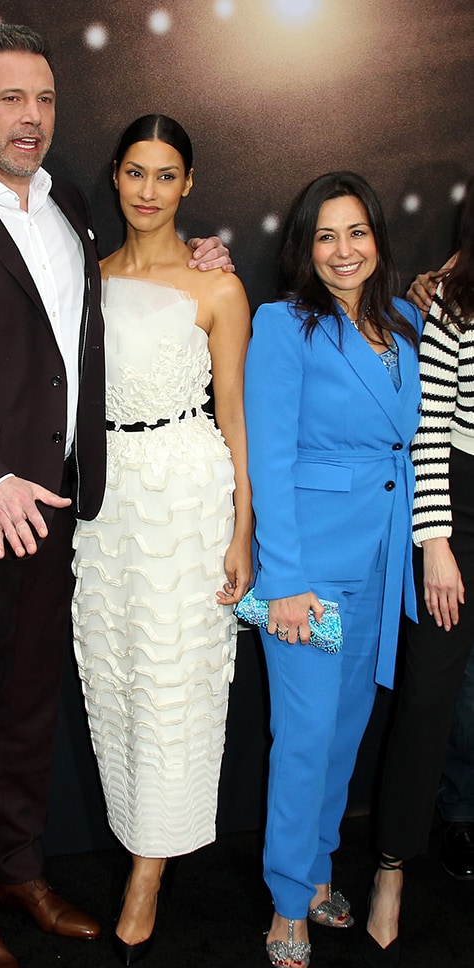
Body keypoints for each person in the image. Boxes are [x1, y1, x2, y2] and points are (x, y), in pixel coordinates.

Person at [0, 24, 230, 968]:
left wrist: (206, 258)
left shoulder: (70, 208)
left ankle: (15, 870)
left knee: (27, 712)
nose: (31, 119)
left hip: (65, 513)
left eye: (46, 102)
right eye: (11, 100)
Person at [71, 114, 253, 965]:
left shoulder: (217, 285)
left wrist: (243, 526)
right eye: (136, 173)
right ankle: (140, 831)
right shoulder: (87, 279)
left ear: (188, 185)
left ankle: (148, 871)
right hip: (105, 501)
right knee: (119, 674)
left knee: (179, 678)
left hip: (188, 493)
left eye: (166, 175)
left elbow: (235, 416)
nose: (149, 190)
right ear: (115, 177)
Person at [243, 171, 423, 968]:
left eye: (356, 232)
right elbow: (270, 460)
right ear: (304, 248)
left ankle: (316, 873)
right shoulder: (284, 326)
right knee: (307, 735)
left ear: (377, 238)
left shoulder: (409, 321)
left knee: (345, 735)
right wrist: (281, 580)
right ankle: (287, 900)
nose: (343, 250)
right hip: (310, 568)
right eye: (325, 235)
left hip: (385, 564)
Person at [365, 175, 474, 966]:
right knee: (429, 696)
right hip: (458, 513)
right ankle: (393, 867)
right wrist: (434, 543)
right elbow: (428, 430)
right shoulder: (452, 299)